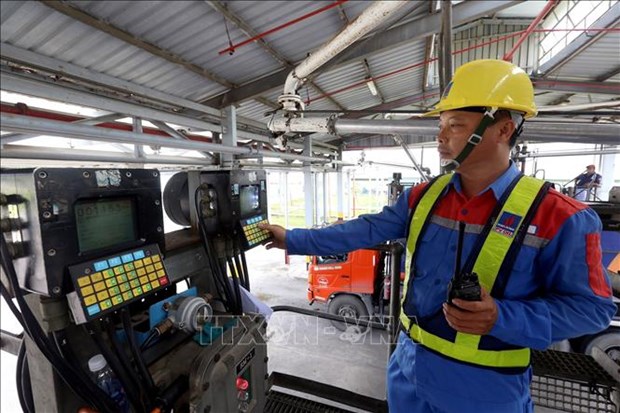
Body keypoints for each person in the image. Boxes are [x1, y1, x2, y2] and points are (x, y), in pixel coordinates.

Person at [259, 59, 616, 413]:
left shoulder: (559, 216)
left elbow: (591, 309)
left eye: (456, 125)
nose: (441, 136)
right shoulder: (423, 197)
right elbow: (365, 229)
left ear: (503, 130)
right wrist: (293, 239)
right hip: (408, 369)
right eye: (442, 124)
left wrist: (501, 318)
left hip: (485, 388)